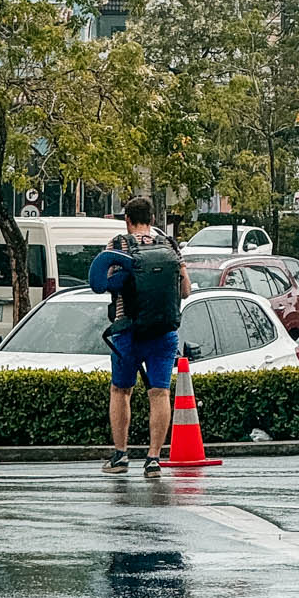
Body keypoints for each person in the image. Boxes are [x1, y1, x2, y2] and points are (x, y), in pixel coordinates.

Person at [100, 195, 190, 478]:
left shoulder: (119, 244)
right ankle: (153, 459)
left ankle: (120, 455)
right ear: (152, 220)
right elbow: (186, 290)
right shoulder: (170, 245)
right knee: (160, 392)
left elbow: (106, 283)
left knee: (121, 390)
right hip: (164, 332)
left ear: (127, 220)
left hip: (128, 329)